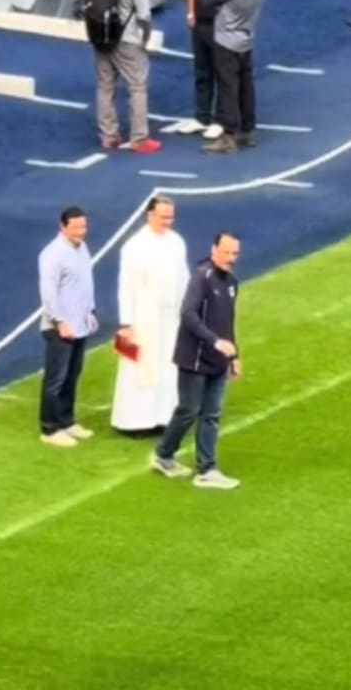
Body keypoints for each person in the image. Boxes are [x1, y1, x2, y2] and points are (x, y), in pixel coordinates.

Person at [151, 232, 242, 489]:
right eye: (227, 252)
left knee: (211, 414)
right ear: (214, 250)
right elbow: (188, 314)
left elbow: (228, 322)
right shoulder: (202, 277)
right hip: (195, 357)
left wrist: (234, 355)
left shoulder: (232, 282)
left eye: (235, 253)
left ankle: (207, 469)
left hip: (218, 360)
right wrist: (214, 341)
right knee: (189, 410)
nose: (231, 258)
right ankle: (164, 454)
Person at [110, 195, 190, 436]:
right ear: (150, 215)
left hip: (171, 316)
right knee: (140, 368)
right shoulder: (135, 246)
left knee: (168, 367)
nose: (168, 222)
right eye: (163, 217)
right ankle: (134, 421)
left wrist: (188, 311)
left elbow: (183, 279)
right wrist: (126, 322)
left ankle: (164, 417)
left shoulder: (177, 242)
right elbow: (125, 287)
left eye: (171, 217)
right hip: (143, 317)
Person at [81, 0, 161, 154]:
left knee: (105, 86)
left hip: (100, 35)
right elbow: (144, 15)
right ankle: (139, 138)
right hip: (126, 39)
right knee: (137, 86)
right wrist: (145, 38)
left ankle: (108, 136)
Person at [37, 206, 98, 448]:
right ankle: (49, 428)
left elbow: (85, 283)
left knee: (72, 376)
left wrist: (90, 311)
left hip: (79, 323)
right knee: (56, 379)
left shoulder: (82, 248)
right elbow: (48, 291)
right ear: (62, 226)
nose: (81, 231)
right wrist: (60, 321)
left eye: (83, 226)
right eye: (76, 227)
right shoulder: (52, 254)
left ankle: (66, 420)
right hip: (60, 327)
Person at [200, 0, 268, 155]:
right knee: (246, 87)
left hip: (226, 41)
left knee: (228, 88)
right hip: (246, 39)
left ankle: (228, 135)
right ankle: (247, 130)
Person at [173, 0, 237, 140]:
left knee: (221, 73)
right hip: (200, 24)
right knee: (202, 72)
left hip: (220, 27)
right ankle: (202, 117)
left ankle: (220, 120)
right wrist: (190, 12)